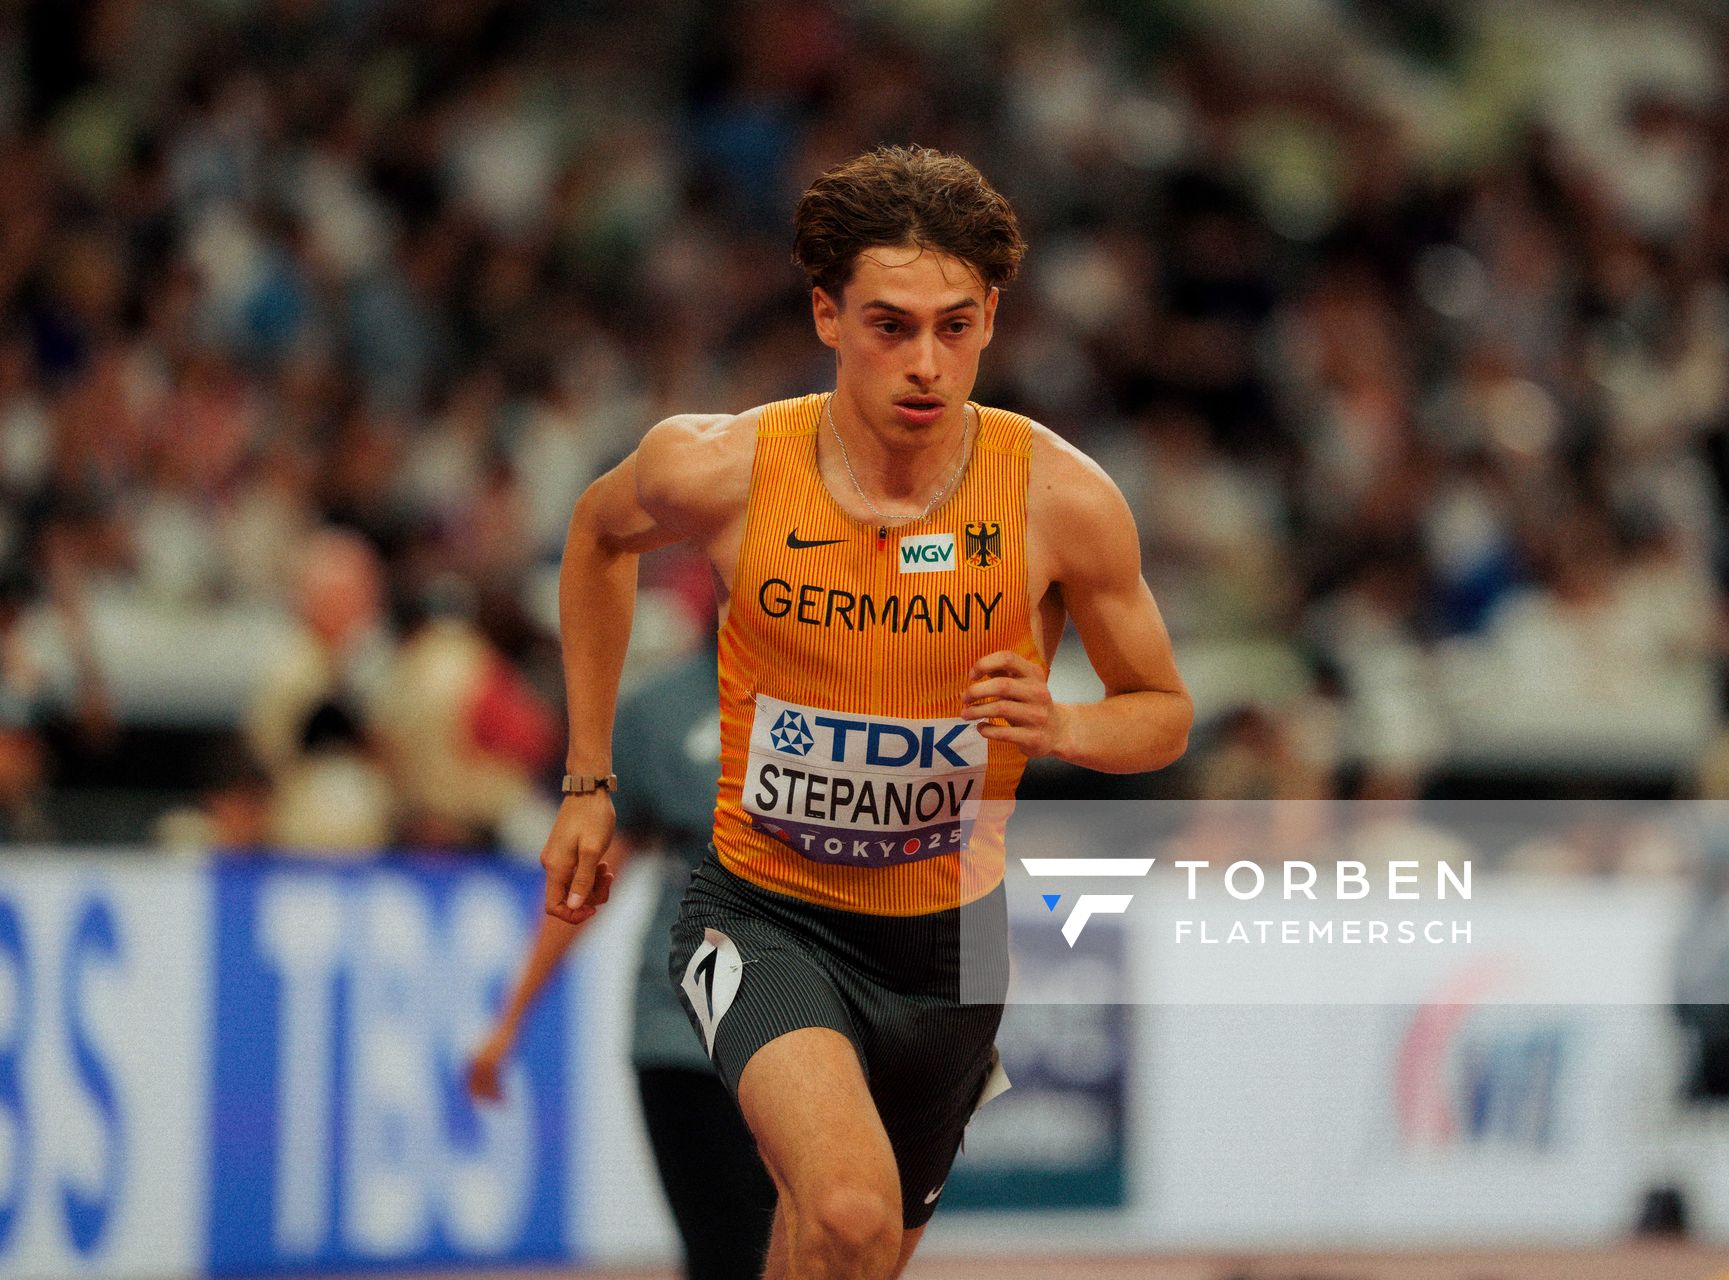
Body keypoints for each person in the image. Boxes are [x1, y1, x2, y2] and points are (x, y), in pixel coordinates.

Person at [539, 144, 1192, 1280]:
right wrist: (587, 778)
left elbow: (1165, 712)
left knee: (848, 1249)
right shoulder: (721, 466)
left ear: (992, 317)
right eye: (890, 324)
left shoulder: (1065, 499)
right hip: (766, 907)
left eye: (956, 324)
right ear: (826, 315)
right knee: (845, 1209)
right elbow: (596, 538)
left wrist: (1065, 723)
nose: (927, 362)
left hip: (952, 944)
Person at [467, 645, 777, 1280]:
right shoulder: (656, 712)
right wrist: (511, 1018)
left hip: (820, 1018)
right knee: (726, 1253)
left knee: (829, 1239)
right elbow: (583, 874)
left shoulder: (860, 687)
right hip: (685, 1028)